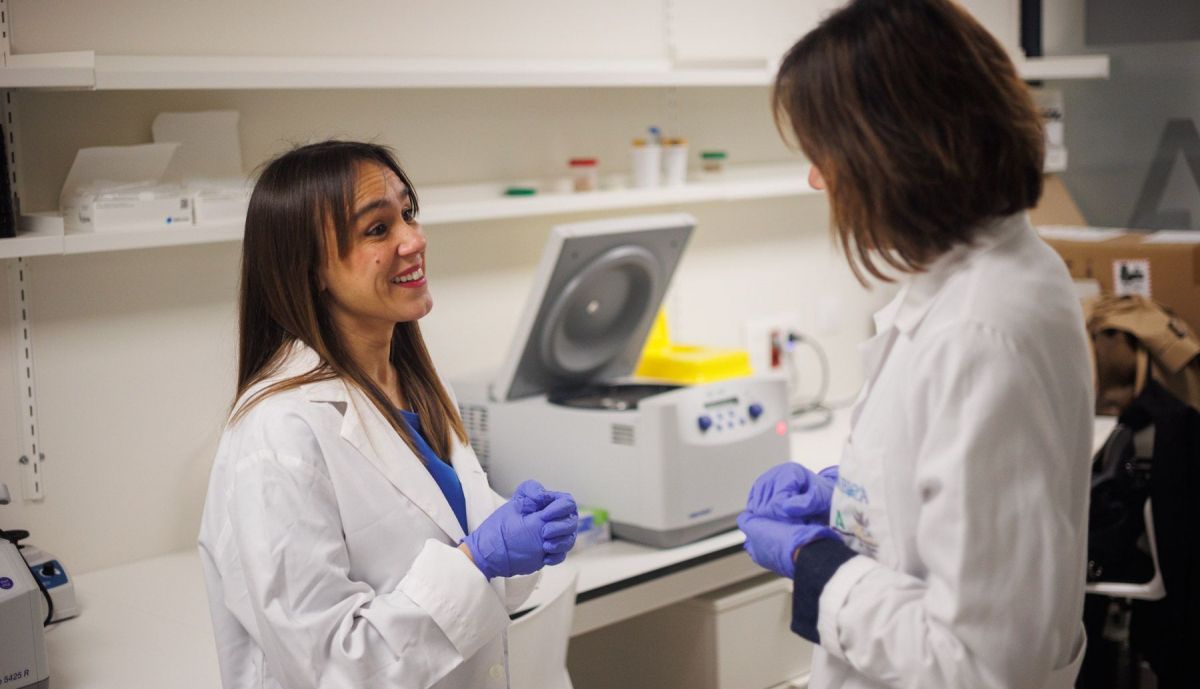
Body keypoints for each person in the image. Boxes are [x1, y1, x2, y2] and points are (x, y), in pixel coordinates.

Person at [737, 1, 1093, 688]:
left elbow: (978, 663)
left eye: (824, 151)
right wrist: (852, 502)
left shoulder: (980, 326)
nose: (817, 178)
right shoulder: (986, 274)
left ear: (892, 148)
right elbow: (952, 503)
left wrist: (814, 560)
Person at [198, 140, 578, 689]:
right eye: (377, 230)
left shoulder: (413, 383)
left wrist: (518, 538)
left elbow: (447, 552)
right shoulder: (278, 434)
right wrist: (478, 561)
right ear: (309, 270)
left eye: (408, 213)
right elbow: (333, 664)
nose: (414, 240)